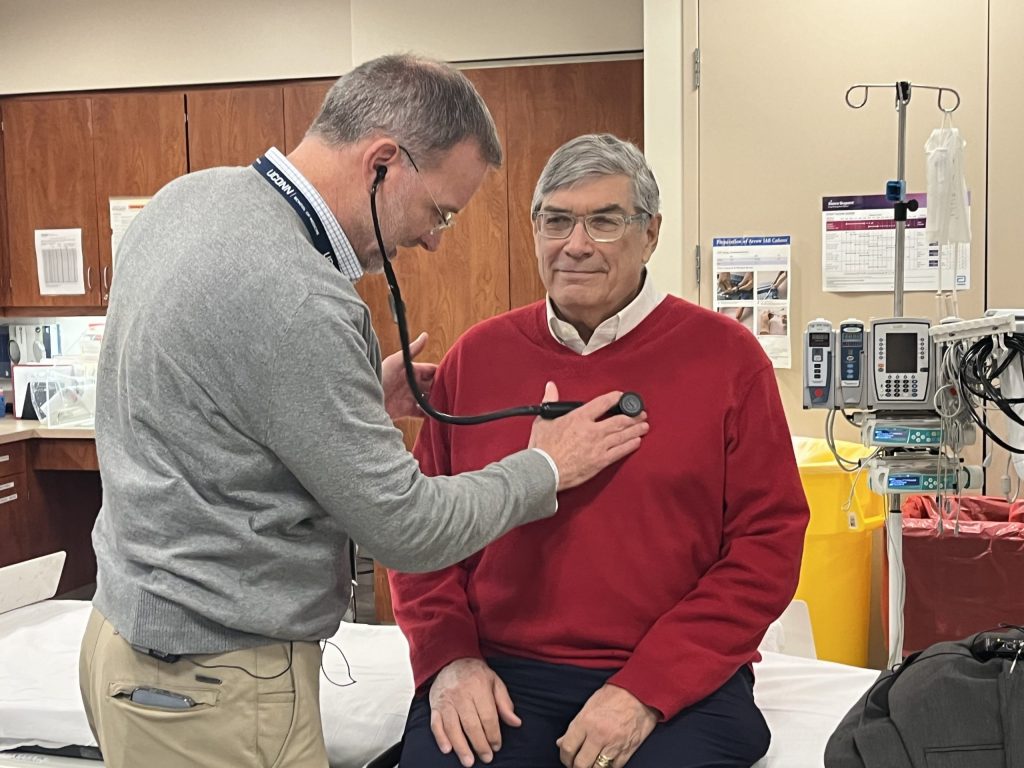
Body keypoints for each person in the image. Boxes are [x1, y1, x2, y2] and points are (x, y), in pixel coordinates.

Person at [80, 57, 649, 768]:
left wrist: (345, 404)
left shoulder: (188, 200)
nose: (435, 240)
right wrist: (547, 467)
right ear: (383, 162)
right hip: (211, 677)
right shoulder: (304, 297)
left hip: (123, 639)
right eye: (439, 211)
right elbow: (408, 531)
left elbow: (205, 402)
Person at [389, 134, 809, 768]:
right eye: (556, 220)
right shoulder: (478, 357)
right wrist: (449, 658)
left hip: (675, 678)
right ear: (535, 230)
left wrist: (645, 689)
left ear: (651, 233)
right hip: (502, 671)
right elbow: (421, 532)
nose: (575, 244)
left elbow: (767, 546)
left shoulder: (727, 359)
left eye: (604, 222)